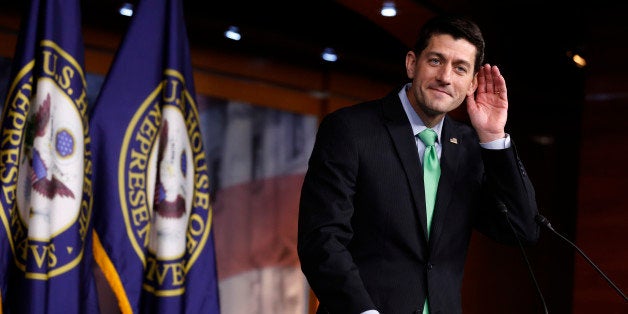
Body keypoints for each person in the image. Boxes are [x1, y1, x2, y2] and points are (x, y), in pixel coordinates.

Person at [297, 14, 540, 314]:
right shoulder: (350, 130)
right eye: (436, 61)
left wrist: (492, 137)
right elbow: (322, 240)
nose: (446, 77)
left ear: (472, 83)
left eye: (460, 68)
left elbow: (522, 228)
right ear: (412, 63)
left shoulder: (469, 147)